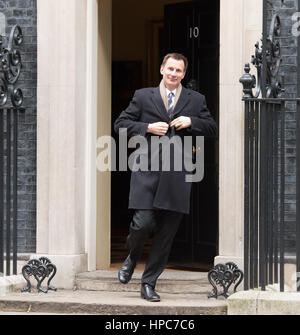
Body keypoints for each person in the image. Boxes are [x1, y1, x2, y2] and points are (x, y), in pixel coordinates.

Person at [114, 53, 217, 302]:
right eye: (170, 69)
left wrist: (192, 121)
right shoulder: (142, 96)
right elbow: (120, 125)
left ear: (184, 74)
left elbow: (212, 128)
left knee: (166, 234)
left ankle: (148, 283)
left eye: (179, 71)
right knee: (143, 224)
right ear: (162, 69)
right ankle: (131, 257)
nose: (173, 74)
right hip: (146, 170)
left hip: (179, 174)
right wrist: (147, 128)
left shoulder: (196, 100)